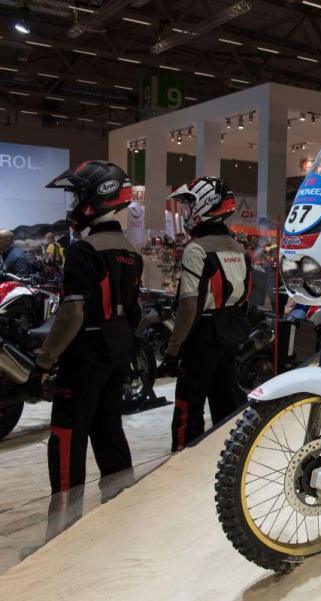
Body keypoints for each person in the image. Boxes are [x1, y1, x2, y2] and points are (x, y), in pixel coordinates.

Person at [36, 161, 142, 493]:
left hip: (85, 356)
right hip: (118, 351)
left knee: (68, 435)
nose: (73, 204)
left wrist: (45, 359)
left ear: (95, 198)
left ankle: (63, 523)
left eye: (77, 196)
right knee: (109, 429)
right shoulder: (131, 252)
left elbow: (71, 314)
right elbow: (135, 313)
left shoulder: (84, 250)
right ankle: (120, 509)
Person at [160, 177, 252, 452]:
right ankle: (225, 461)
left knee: (189, 406)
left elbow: (189, 306)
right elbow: (245, 298)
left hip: (202, 335)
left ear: (205, 205)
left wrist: (174, 349)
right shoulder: (238, 248)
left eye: (189, 206)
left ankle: (183, 463)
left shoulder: (196, 249)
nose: (186, 212)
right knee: (226, 404)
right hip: (231, 333)